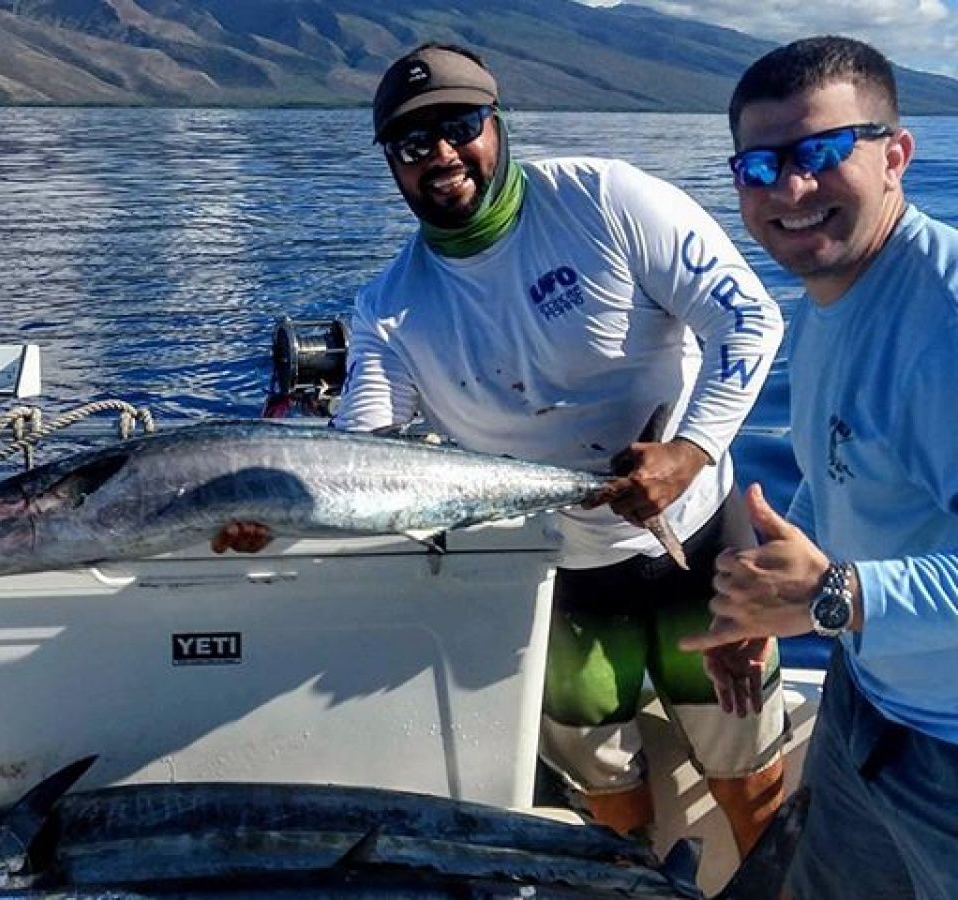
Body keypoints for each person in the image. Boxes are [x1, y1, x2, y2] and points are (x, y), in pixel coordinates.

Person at [220, 43, 787, 856]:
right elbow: (361, 461)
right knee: (610, 803)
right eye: (414, 144)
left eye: (459, 126)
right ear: (392, 164)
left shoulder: (607, 199)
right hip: (559, 577)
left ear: (497, 124)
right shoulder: (389, 309)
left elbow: (751, 320)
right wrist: (273, 516)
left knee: (752, 784)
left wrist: (691, 451)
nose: (442, 155)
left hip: (701, 545)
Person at [680, 35, 958, 898]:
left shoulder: (944, 324)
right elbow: (847, 474)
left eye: (821, 153)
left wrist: (834, 594)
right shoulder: (830, 297)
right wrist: (770, 598)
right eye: (759, 165)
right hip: (864, 703)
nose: (789, 189)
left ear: (895, 155)